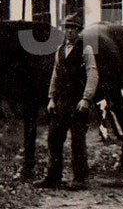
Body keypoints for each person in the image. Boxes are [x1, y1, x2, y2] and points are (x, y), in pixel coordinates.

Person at [39, 12, 98, 189]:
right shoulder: (60, 50)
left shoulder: (86, 49)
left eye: (73, 28)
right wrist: (51, 98)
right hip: (61, 101)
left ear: (79, 31)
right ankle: (53, 177)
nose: (70, 32)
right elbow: (55, 75)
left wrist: (86, 99)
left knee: (77, 140)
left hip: (78, 102)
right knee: (54, 137)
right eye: (67, 28)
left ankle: (80, 178)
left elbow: (93, 74)